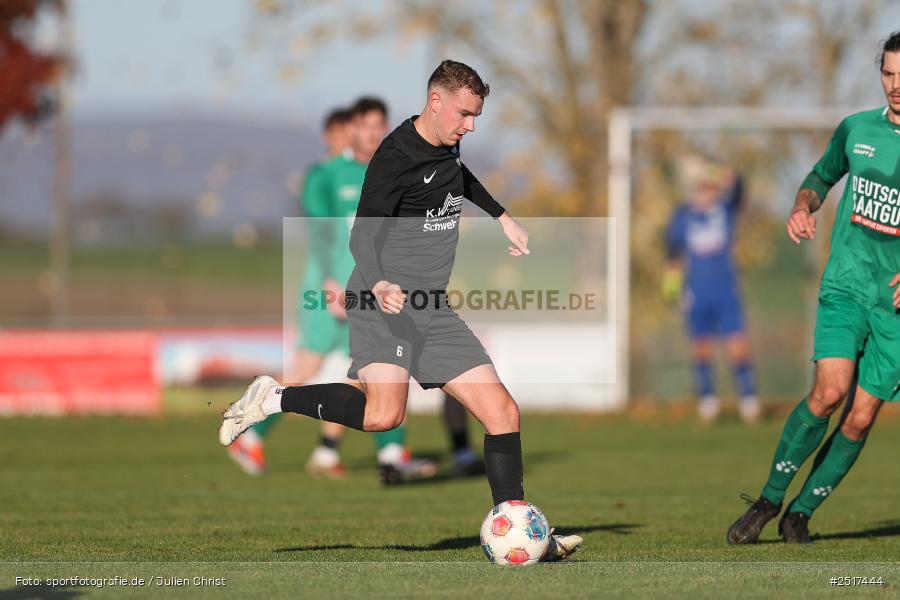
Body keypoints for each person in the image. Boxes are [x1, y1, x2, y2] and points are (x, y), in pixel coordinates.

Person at [219, 59, 582, 560]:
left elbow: (458, 175)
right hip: (382, 302)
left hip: (432, 308)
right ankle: (274, 398)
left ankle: (519, 529)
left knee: (502, 412)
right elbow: (361, 234)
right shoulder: (393, 159)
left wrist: (502, 216)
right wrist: (381, 281)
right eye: (464, 114)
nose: (470, 125)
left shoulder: (446, 140)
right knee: (383, 414)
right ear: (436, 101)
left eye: (476, 116)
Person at [727, 32, 900, 544]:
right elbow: (820, 177)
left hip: (893, 307)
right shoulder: (857, 130)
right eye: (888, 74)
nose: (895, 85)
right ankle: (768, 500)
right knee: (829, 392)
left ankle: (799, 513)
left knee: (862, 416)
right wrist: (803, 206)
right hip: (847, 284)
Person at [664, 163, 760, 424]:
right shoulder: (683, 217)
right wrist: (672, 292)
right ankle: (708, 401)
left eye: (711, 188)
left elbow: (740, 190)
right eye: (702, 188)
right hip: (696, 293)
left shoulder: (725, 212)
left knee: (737, 347)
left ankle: (748, 400)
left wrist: (722, 174)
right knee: (701, 349)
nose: (707, 193)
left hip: (726, 291)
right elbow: (672, 255)